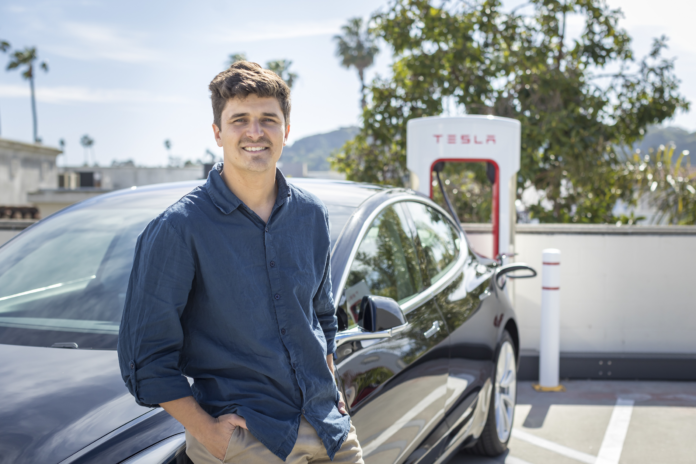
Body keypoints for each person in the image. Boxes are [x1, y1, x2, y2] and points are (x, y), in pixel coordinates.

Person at [117, 61, 363, 464]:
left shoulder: (311, 215)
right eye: (240, 120)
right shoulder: (179, 228)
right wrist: (208, 432)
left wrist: (331, 391)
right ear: (218, 132)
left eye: (269, 119)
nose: (255, 132)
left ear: (286, 129)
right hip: (250, 440)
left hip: (332, 429)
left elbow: (321, 316)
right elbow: (145, 356)